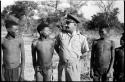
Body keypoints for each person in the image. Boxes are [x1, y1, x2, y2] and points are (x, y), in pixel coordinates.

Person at [55, 14, 89, 81]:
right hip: (62, 65)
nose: (66, 25)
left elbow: (85, 52)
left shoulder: (82, 38)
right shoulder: (61, 35)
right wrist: (61, 55)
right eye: (66, 23)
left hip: (74, 66)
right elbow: (56, 46)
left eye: (68, 23)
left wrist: (77, 60)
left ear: (75, 25)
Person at [1, 15, 25, 81]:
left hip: (17, 69)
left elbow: (23, 58)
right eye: (16, 30)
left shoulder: (20, 40)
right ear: (8, 29)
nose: (17, 31)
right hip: (5, 69)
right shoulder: (3, 41)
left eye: (18, 29)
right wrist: (1, 74)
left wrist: (22, 73)